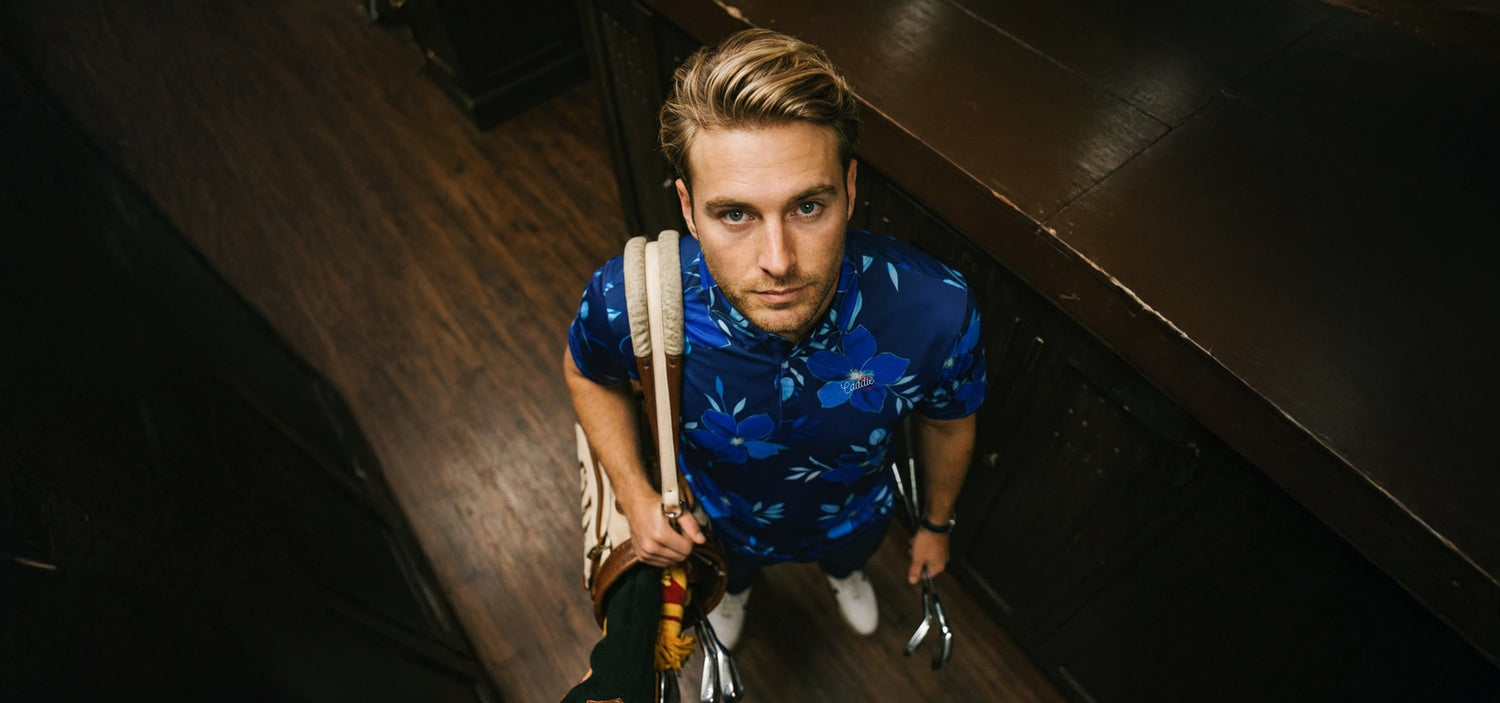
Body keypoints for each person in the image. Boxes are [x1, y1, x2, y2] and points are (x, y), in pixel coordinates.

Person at [563, 28, 986, 649]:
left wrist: (935, 525)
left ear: (848, 188)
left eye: (807, 207)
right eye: (734, 214)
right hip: (716, 521)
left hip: (856, 514)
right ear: (687, 208)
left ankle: (844, 577)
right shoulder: (630, 298)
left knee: (850, 557)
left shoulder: (935, 309)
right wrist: (636, 492)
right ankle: (733, 590)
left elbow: (949, 420)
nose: (778, 260)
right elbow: (588, 375)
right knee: (733, 577)